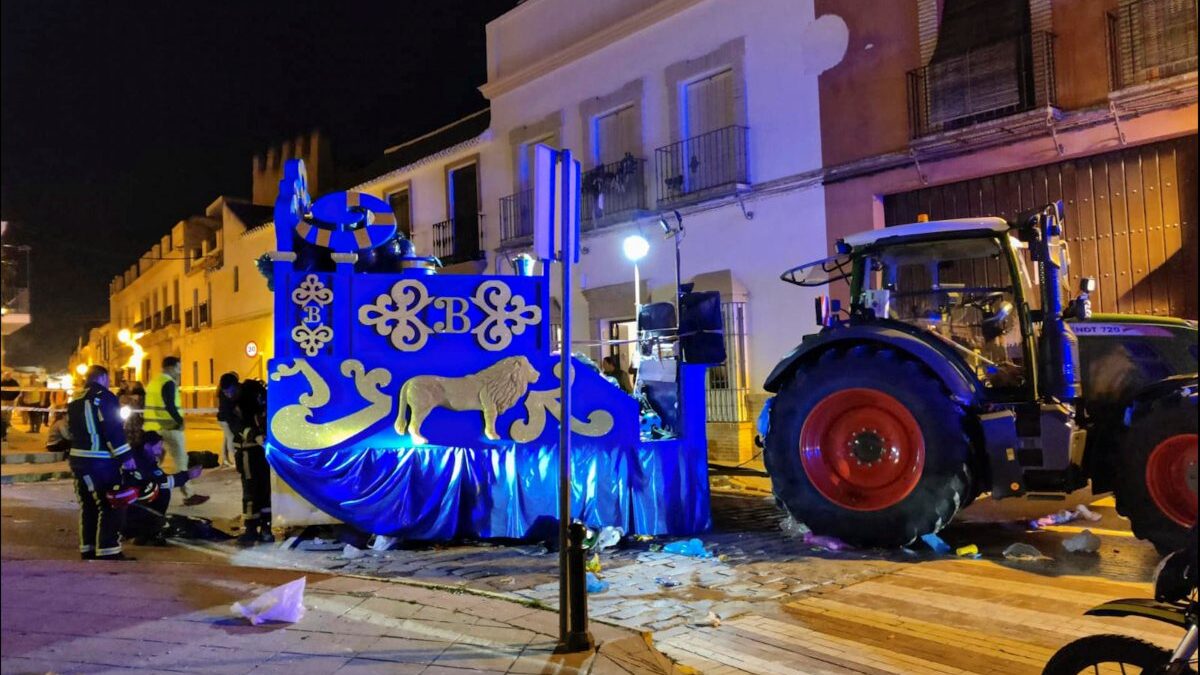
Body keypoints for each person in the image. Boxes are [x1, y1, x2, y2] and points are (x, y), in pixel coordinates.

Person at [68, 365, 136, 561]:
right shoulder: (104, 397)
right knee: (110, 504)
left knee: (89, 505)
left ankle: (88, 548)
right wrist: (126, 457)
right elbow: (113, 429)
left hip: (78, 459)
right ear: (104, 378)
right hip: (99, 460)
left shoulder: (76, 399)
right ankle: (108, 550)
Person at [144, 356, 207, 506]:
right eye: (178, 368)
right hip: (170, 428)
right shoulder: (168, 383)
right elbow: (169, 405)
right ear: (170, 367)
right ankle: (189, 494)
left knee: (152, 462)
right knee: (181, 460)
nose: (179, 372)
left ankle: (145, 490)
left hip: (153, 429)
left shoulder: (154, 382)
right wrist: (180, 422)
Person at [122, 431, 203, 546]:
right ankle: (147, 530)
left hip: (130, 505)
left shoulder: (143, 456)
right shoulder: (142, 462)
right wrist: (188, 475)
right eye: (158, 446)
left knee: (158, 490)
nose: (161, 449)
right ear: (147, 446)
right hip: (132, 507)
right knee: (162, 491)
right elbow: (163, 482)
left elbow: (160, 478)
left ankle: (144, 531)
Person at [231, 379, 272, 545]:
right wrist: (255, 435)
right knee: (256, 492)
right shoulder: (244, 409)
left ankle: (259, 528)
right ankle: (256, 528)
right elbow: (241, 430)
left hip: (256, 456)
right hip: (251, 456)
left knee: (258, 492)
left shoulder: (250, 409)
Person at [216, 372, 240, 468]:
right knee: (231, 438)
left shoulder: (220, 390)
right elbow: (229, 407)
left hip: (221, 417)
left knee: (226, 438)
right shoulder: (226, 392)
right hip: (225, 418)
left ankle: (225, 459)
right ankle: (235, 459)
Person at [0, 371, 18, 440]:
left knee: (8, 415)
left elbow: (17, 391)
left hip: (10, 400)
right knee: (3, 416)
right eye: (5, 375)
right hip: (3, 400)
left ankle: (6, 425)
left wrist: (13, 397)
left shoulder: (14, 382)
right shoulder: (2, 382)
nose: (6, 376)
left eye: (8, 375)